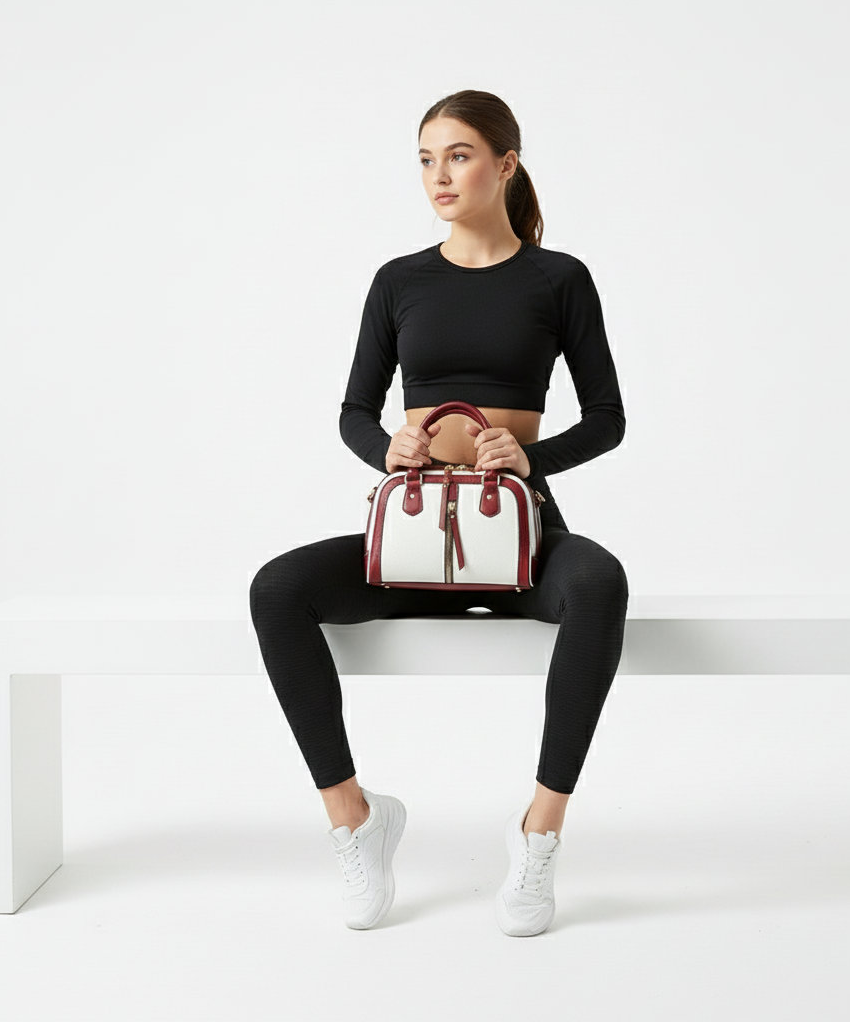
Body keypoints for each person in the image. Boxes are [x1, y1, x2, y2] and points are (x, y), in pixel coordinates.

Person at [249, 89, 628, 936]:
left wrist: (531, 458)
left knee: (599, 581)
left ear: (506, 164)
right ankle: (356, 818)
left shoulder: (559, 279)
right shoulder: (399, 280)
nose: (439, 175)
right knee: (277, 589)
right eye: (426, 159)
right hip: (419, 536)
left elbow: (608, 417)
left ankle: (538, 835)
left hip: (518, 532)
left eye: (458, 155)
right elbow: (353, 411)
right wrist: (386, 449)